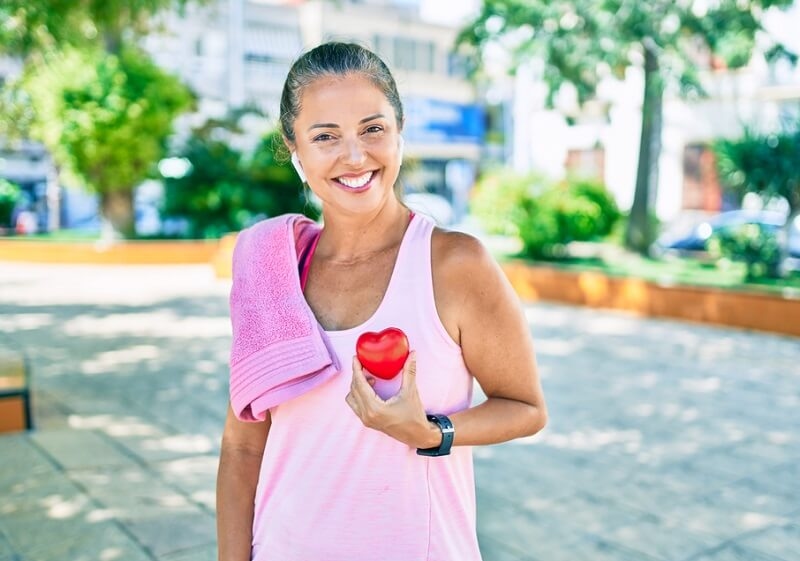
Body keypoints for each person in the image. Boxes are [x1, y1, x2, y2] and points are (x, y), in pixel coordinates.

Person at [216, 42, 547, 561]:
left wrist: (431, 431)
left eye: (373, 129)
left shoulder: (454, 265)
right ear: (294, 148)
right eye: (325, 137)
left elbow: (526, 409)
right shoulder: (272, 270)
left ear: (399, 131)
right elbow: (242, 444)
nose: (354, 156)